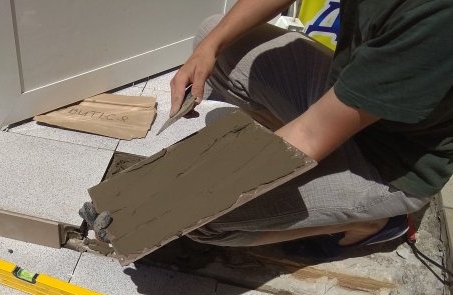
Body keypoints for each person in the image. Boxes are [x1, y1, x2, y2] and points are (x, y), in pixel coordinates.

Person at [168, 0, 453, 258]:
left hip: (388, 163)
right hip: (345, 97)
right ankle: (307, 165)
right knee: (214, 36)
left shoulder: (437, 18)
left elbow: (309, 134)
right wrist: (210, 47)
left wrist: (197, 186)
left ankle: (372, 221)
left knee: (197, 217)